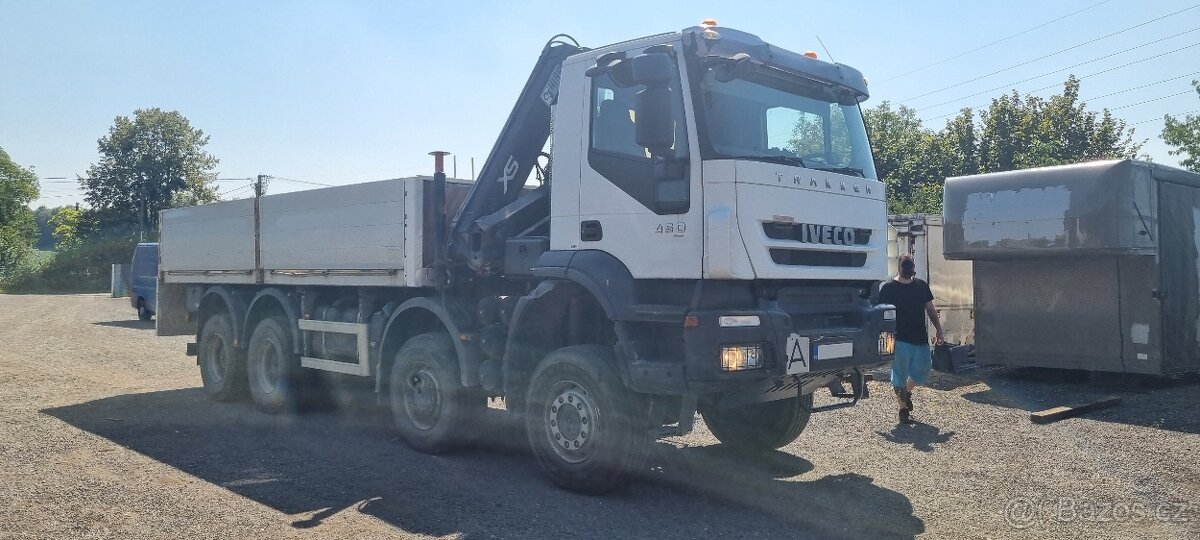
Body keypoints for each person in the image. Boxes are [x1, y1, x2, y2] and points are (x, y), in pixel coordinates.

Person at [877, 253, 944, 424]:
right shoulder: (888, 288)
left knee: (923, 370)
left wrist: (939, 330)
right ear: (899, 267)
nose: (908, 269)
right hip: (895, 338)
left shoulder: (921, 286)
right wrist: (882, 340)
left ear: (913, 267)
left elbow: (930, 309)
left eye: (910, 266)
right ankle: (903, 410)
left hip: (919, 337)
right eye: (905, 266)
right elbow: (881, 314)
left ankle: (907, 391)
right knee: (899, 374)